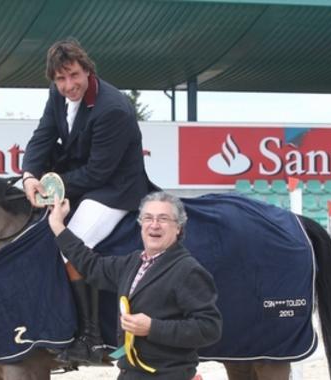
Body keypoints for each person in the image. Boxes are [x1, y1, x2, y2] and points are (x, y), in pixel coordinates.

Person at [22, 38, 156, 364]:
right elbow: (42, 137)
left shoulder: (112, 108)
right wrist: (28, 176)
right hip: (81, 180)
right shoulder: (57, 94)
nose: (68, 86)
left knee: (71, 242)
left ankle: (91, 337)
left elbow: (98, 173)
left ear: (87, 70)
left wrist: (53, 188)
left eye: (74, 76)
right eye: (61, 79)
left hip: (115, 189)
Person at [48, 191, 222, 379]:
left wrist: (152, 328)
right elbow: (91, 265)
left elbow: (209, 328)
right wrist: (58, 226)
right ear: (141, 224)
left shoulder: (188, 270)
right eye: (148, 218)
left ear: (178, 227)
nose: (154, 225)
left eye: (163, 219)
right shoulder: (132, 262)